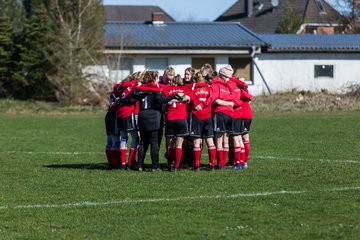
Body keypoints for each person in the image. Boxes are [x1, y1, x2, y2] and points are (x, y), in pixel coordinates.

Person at [116, 71, 183, 171]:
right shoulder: (155, 89)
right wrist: (173, 96)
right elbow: (161, 100)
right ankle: (155, 166)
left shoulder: (140, 89)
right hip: (154, 118)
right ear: (154, 78)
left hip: (143, 118)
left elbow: (131, 100)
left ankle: (140, 165)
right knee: (154, 143)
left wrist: (120, 100)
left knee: (143, 142)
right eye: (156, 78)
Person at [203, 65, 235, 169]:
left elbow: (214, 98)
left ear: (221, 75)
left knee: (219, 140)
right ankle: (223, 163)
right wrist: (229, 103)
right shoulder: (229, 86)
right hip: (230, 114)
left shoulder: (215, 84)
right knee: (226, 140)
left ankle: (220, 164)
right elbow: (232, 99)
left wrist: (205, 104)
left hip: (220, 113)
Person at [189, 72, 216, 170]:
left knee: (196, 143)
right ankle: (212, 164)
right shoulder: (209, 88)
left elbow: (188, 99)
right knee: (210, 141)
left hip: (197, 117)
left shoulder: (193, 89)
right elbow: (212, 99)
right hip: (207, 117)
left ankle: (196, 165)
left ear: (195, 80)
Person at [164, 74, 191, 172]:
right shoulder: (183, 90)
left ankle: (169, 165)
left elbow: (165, 101)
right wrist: (179, 98)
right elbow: (187, 98)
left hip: (170, 118)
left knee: (170, 144)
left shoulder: (167, 89)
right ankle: (177, 166)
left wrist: (173, 99)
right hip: (181, 119)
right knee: (179, 145)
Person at [115, 76, 140, 170]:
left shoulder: (125, 86)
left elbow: (119, 87)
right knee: (135, 138)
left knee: (124, 138)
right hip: (128, 114)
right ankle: (130, 163)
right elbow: (135, 102)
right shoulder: (135, 86)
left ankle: (122, 164)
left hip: (120, 114)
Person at [104, 83, 121, 169]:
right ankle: (114, 164)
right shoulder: (118, 94)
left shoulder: (113, 93)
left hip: (109, 115)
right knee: (115, 141)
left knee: (109, 141)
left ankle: (111, 163)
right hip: (114, 116)